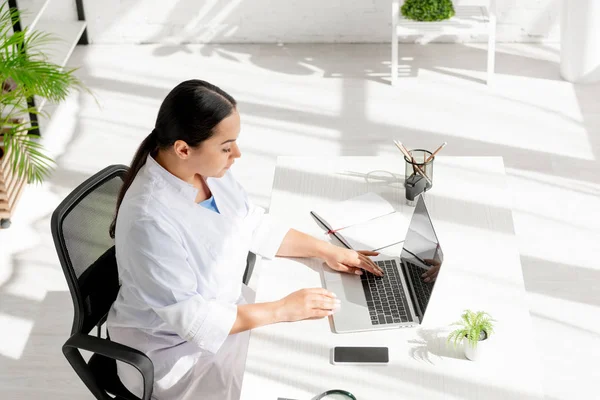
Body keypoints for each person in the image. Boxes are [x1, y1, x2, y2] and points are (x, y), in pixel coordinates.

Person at [106, 79, 383, 400]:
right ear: (183, 148)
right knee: (298, 370)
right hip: (177, 353)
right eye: (226, 146)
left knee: (323, 336)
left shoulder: (207, 170)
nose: (236, 153)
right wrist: (282, 309)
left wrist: (327, 250)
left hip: (228, 309)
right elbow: (195, 321)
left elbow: (251, 223)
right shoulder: (149, 219)